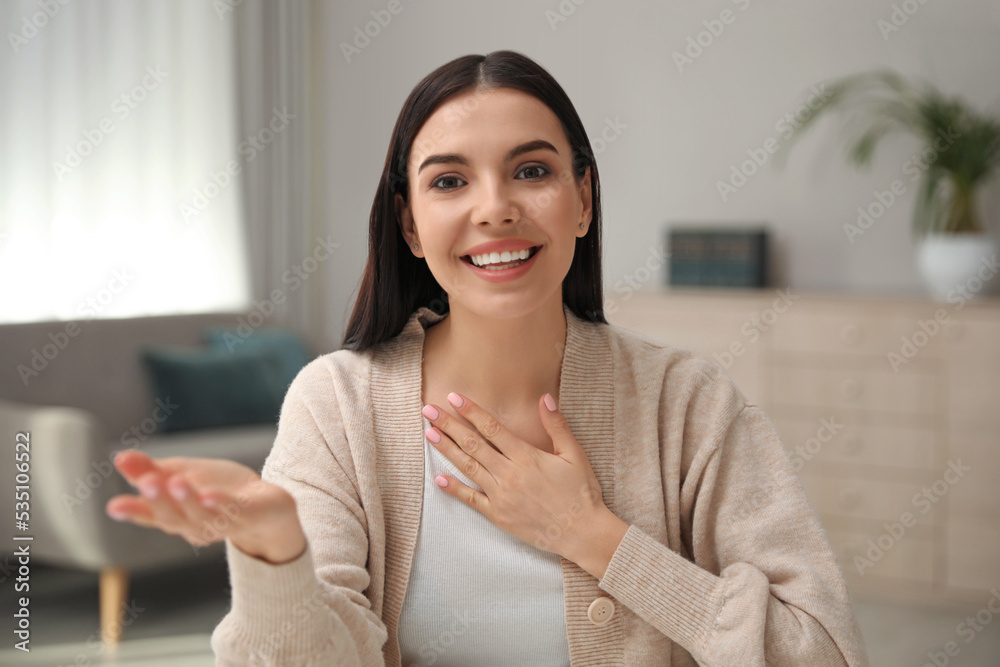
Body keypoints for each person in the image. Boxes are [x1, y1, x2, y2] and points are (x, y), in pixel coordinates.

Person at [106, 50, 871, 666]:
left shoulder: (690, 401)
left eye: (532, 170)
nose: (494, 207)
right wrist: (277, 553)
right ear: (409, 224)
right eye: (449, 180)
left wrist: (595, 536)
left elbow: (823, 653)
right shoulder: (336, 402)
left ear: (583, 198)